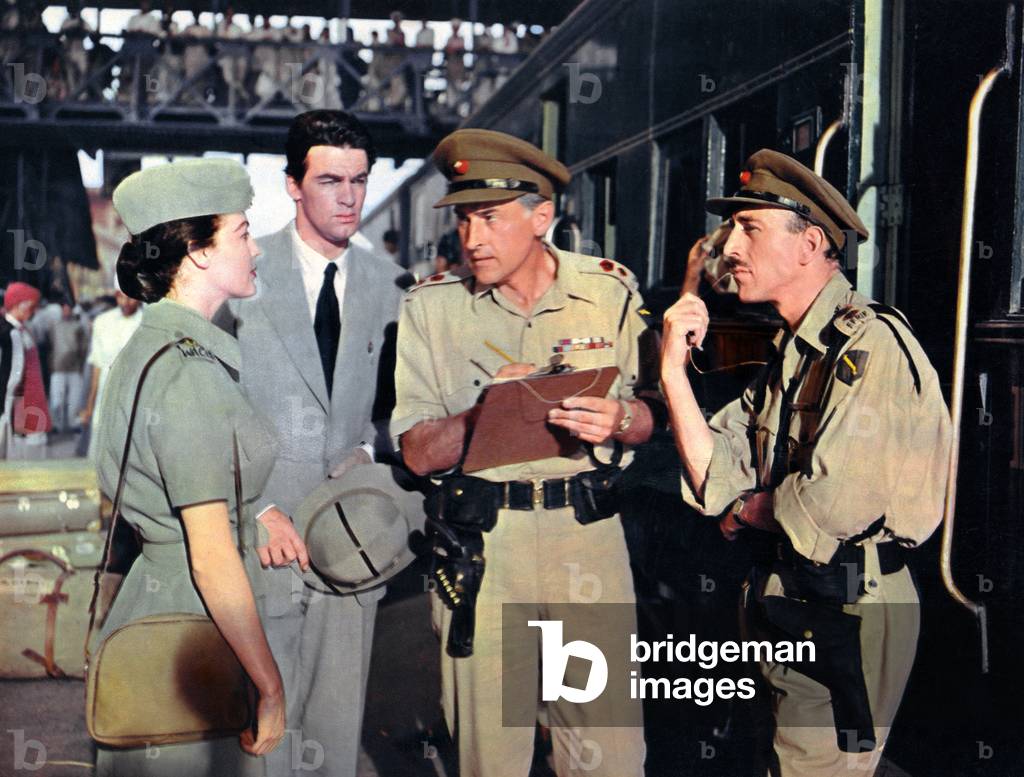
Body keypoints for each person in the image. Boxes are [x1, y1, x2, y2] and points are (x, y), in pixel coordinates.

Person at [660, 149, 952, 776]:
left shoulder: (870, 347)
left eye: (750, 228)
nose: (729, 246)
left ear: (809, 244)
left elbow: (830, 505)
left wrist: (747, 506)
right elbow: (712, 472)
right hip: (795, 596)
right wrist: (671, 373)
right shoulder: (791, 356)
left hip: (847, 604)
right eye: (731, 228)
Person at [391, 129, 659, 777]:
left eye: (488, 218)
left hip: (585, 541)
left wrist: (621, 418)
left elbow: (653, 416)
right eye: (462, 219)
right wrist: (486, 412)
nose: (471, 238)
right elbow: (417, 453)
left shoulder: (608, 292)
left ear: (542, 217)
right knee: (492, 758)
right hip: (487, 549)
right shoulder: (432, 311)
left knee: (609, 757)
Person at [218, 110, 405, 777]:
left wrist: (370, 452)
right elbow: (211, 412)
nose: (349, 196)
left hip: (352, 542)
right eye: (329, 180)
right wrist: (256, 504)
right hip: (262, 536)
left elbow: (399, 412)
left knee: (334, 733)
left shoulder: (390, 286)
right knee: (265, 736)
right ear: (292, 184)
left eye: (359, 180)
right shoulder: (242, 280)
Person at [91, 158, 284, 776]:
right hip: (193, 632)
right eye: (243, 233)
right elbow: (211, 554)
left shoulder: (145, 352)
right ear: (198, 253)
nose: (255, 249)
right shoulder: (192, 376)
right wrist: (270, 686)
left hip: (151, 618)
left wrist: (260, 514)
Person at [80, 289, 142, 459]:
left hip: (137, 394)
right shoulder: (102, 322)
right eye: (122, 297)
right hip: (105, 394)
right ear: (116, 297)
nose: (127, 303)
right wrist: (90, 406)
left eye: (132, 298)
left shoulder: (146, 323)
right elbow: (97, 366)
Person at [1, 282, 50, 459]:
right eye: (31, 305)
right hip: (17, 403)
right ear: (18, 304)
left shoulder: (23, 329)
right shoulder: (8, 332)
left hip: (30, 401)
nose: (33, 310)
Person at [47, 301, 88, 433]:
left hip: (74, 368)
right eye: (63, 308)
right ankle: (56, 425)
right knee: (56, 399)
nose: (66, 311)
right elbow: (49, 345)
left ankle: (73, 424)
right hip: (57, 367)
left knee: (74, 399)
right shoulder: (54, 325)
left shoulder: (78, 326)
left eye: (68, 308)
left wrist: (82, 366)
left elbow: (83, 348)